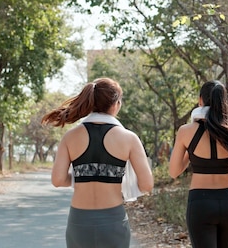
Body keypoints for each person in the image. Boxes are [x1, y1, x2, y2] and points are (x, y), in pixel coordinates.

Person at [42, 77, 154, 248]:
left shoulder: (70, 137)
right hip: (113, 219)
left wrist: (81, 176)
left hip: (79, 220)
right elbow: (147, 185)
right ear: (116, 104)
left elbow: (57, 180)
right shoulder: (129, 138)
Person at [169, 80, 228, 248]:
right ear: (223, 102)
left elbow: (174, 171)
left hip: (200, 203)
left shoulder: (186, 131)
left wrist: (191, 152)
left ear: (200, 101)